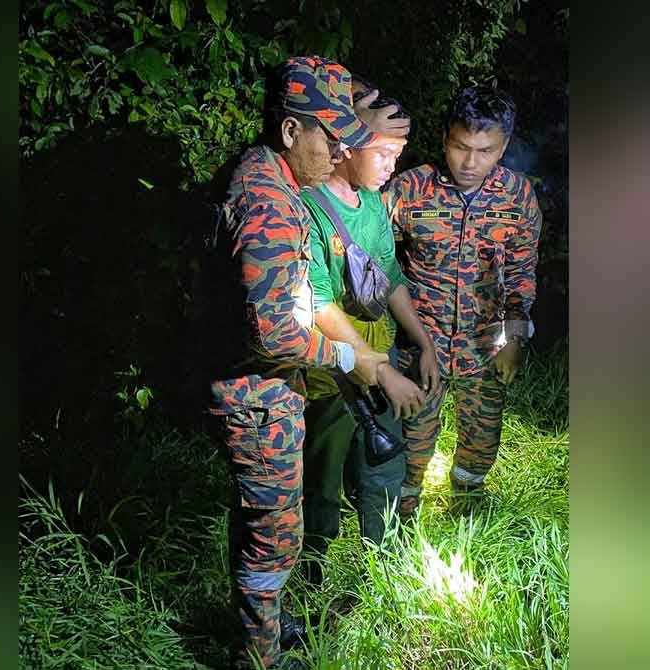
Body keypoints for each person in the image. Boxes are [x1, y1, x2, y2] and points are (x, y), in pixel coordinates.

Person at [207, 55, 388, 670]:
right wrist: (348, 356)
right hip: (258, 400)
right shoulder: (268, 201)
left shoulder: (273, 180)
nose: (341, 154)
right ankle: (261, 658)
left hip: (261, 392)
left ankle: (262, 624)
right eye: (331, 139)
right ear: (291, 130)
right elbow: (273, 331)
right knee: (275, 538)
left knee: (260, 524)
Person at [382, 85, 542, 520]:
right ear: (444, 138)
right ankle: (401, 521)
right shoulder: (410, 190)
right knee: (413, 437)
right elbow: (377, 261)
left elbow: (522, 275)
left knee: (481, 437)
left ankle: (467, 510)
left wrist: (514, 339)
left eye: (485, 150)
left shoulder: (517, 197)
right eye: (460, 147)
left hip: (485, 345)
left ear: (503, 147)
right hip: (421, 343)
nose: (470, 163)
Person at [299, 91, 438, 585]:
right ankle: (310, 571)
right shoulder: (308, 207)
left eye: (397, 156)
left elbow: (390, 277)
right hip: (330, 368)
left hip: (379, 351)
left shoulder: (374, 203)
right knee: (321, 472)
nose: (390, 166)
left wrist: (422, 343)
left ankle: (385, 565)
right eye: (382, 153)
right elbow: (318, 304)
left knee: (384, 461)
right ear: (346, 145)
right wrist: (378, 370)